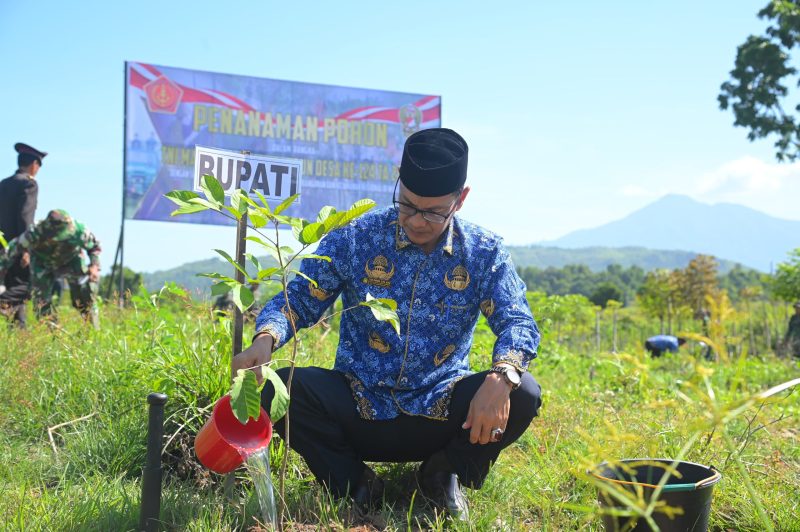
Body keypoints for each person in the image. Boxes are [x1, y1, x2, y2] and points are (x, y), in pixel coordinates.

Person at [232, 128, 542, 520]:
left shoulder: (483, 251)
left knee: (523, 392)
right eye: (408, 205)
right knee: (281, 390)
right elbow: (302, 298)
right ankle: (355, 484)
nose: (416, 221)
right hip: (360, 405)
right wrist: (266, 337)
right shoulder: (358, 236)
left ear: (460, 200)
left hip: (441, 409)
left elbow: (517, 319)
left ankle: (443, 473)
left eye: (432, 212)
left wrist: (503, 376)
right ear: (398, 180)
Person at [0, 209, 101, 328]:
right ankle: (53, 333)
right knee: (41, 303)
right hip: (42, 263)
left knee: (84, 296)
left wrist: (94, 266)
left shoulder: (79, 230)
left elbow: (95, 247)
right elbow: (12, 249)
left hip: (71, 261)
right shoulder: (36, 230)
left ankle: (93, 329)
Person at [0, 142, 47, 327]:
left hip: (1, 245)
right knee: (29, 286)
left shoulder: (4, 183)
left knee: (13, 287)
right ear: (34, 164)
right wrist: (26, 248)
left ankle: (19, 330)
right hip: (18, 245)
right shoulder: (29, 184)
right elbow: (25, 217)